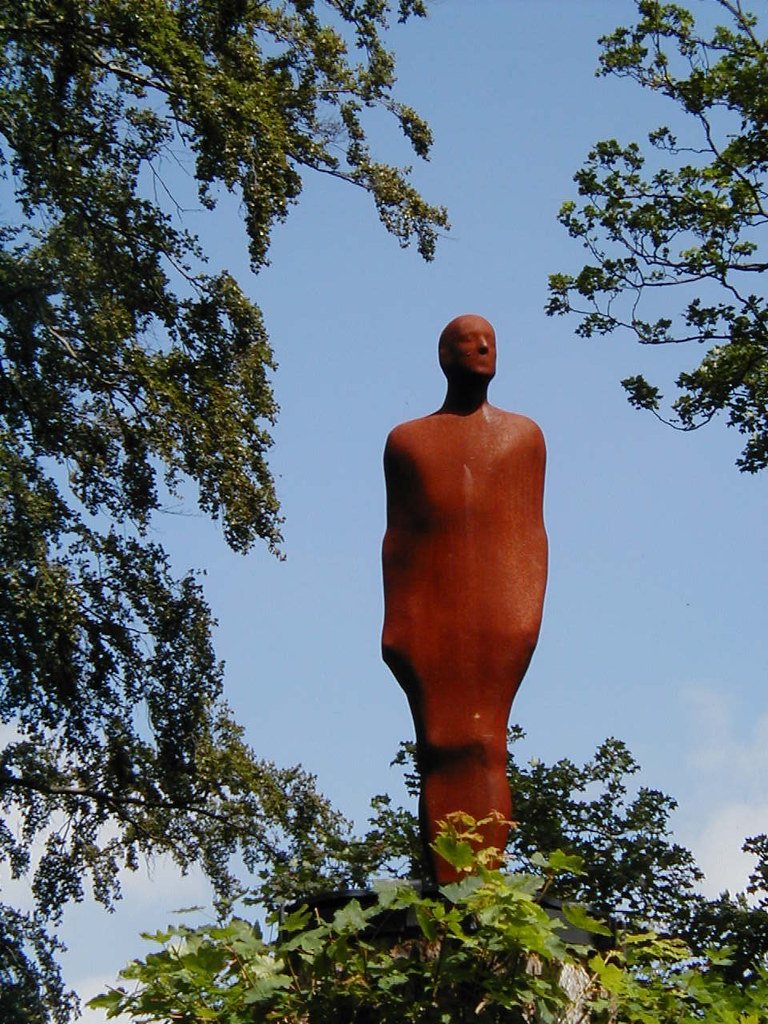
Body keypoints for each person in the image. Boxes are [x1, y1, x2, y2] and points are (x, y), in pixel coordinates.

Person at [381, 314, 548, 882]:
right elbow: (398, 538)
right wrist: (397, 626)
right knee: (441, 744)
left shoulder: (523, 437)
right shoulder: (407, 442)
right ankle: (453, 891)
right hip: (430, 616)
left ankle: (480, 892)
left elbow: (531, 535)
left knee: (483, 742)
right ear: (444, 356)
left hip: (499, 615)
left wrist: (525, 621)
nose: (482, 345)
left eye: (491, 340)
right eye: (467, 339)